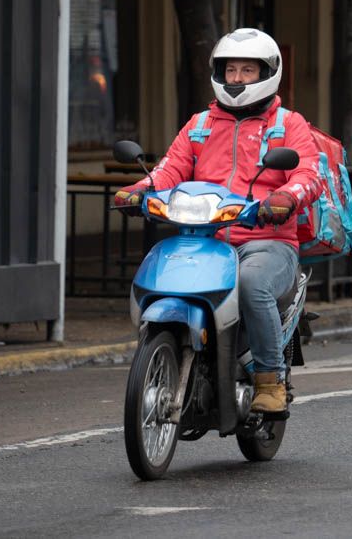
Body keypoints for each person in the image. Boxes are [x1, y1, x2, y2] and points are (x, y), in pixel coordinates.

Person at [113, 28, 323, 414]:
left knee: (252, 284)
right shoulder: (200, 124)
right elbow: (169, 170)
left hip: (266, 241)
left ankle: (270, 380)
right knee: (161, 268)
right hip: (204, 238)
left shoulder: (288, 124)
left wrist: (285, 197)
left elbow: (309, 174)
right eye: (231, 70)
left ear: (267, 73)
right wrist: (139, 190)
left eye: (247, 70)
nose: (237, 78)